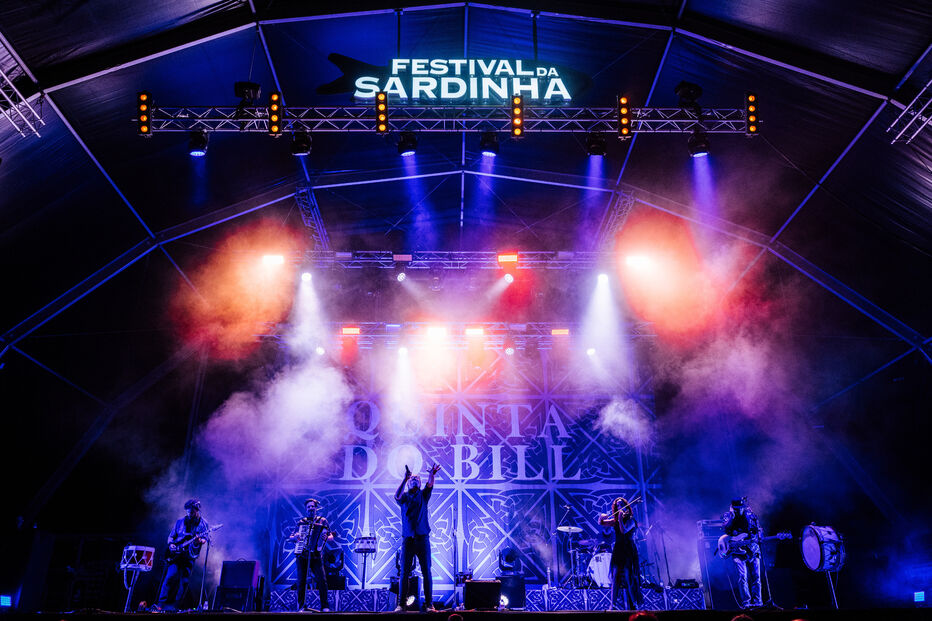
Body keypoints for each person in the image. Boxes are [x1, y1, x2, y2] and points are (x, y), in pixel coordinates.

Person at [394, 463, 441, 612]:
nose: (414, 479)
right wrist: (405, 478)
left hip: (422, 538)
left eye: (416, 478)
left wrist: (431, 474)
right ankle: (401, 604)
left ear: (419, 483)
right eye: (412, 478)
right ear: (409, 483)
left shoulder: (423, 495)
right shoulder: (405, 497)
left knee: (427, 571)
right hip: (408, 540)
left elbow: (430, 485)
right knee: (404, 573)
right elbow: (396, 496)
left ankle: (429, 604)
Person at [156, 498, 210, 611]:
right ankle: (160, 604)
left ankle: (176, 606)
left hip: (189, 556)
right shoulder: (180, 522)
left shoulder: (203, 524)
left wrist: (199, 541)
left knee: (184, 581)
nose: (189, 514)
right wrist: (171, 545)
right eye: (188, 511)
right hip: (176, 555)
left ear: (197, 510)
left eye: (191, 511)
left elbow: (205, 539)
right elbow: (171, 537)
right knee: (169, 577)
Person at [290, 498, 334, 612]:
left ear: (316, 508)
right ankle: (301, 606)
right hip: (302, 556)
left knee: (322, 580)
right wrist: (295, 538)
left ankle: (325, 606)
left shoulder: (322, 521)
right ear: (306, 509)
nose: (311, 508)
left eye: (312, 506)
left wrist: (326, 538)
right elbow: (291, 537)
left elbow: (331, 537)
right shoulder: (301, 522)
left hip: (316, 556)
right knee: (301, 581)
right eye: (308, 507)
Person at [598, 496, 641, 610]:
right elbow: (601, 523)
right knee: (615, 577)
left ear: (626, 506)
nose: (619, 507)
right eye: (617, 506)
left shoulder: (631, 520)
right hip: (618, 549)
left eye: (621, 504)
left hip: (628, 549)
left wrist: (621, 519)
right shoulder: (616, 520)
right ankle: (613, 605)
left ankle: (634, 605)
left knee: (628, 577)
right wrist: (601, 517)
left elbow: (623, 531)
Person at [722, 497, 763, 609]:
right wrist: (731, 518)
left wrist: (758, 536)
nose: (739, 510)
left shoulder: (750, 515)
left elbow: (758, 530)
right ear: (732, 508)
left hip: (753, 550)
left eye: (741, 508)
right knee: (742, 577)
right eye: (736, 509)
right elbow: (725, 530)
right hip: (737, 552)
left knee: (756, 577)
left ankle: (758, 602)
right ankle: (746, 602)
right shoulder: (728, 516)